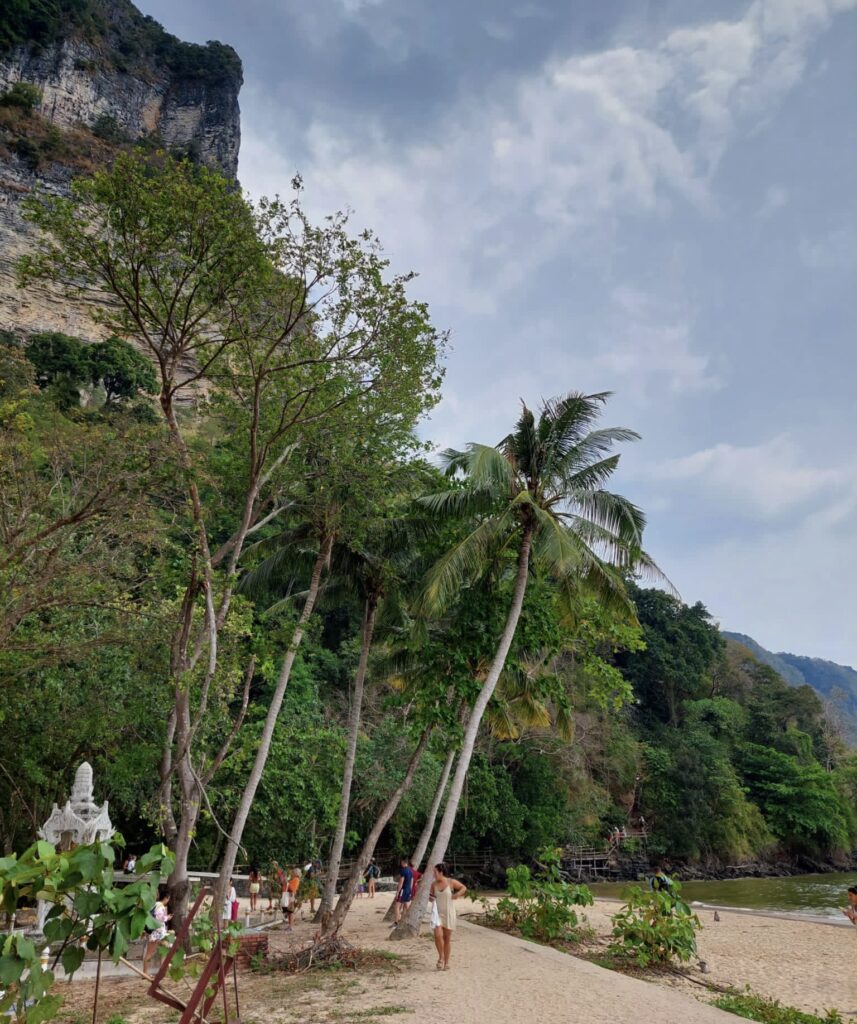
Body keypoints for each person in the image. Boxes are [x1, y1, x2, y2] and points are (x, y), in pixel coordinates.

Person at [429, 862, 467, 971]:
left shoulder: (451, 882)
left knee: (447, 939)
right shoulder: (433, 884)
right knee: (437, 935)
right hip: (437, 914)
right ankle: (441, 957)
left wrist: (457, 895)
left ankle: (446, 963)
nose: (434, 874)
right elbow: (430, 897)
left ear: (441, 872)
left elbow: (463, 888)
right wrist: (431, 898)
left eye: (435, 872)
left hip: (449, 913)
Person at [143, 885, 171, 976]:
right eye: (168, 898)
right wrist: (167, 917)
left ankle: (160, 971)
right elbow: (160, 918)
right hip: (158, 933)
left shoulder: (154, 905)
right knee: (152, 952)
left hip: (157, 932)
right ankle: (147, 972)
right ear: (166, 898)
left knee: (163, 949)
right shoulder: (160, 906)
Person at [393, 856, 414, 923]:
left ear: (403, 862)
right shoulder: (410, 871)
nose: (400, 863)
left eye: (401, 862)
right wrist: (410, 890)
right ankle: (410, 920)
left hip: (403, 890)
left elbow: (401, 883)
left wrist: (397, 892)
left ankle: (396, 922)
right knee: (407, 906)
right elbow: (411, 882)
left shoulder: (403, 870)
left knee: (397, 906)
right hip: (408, 890)